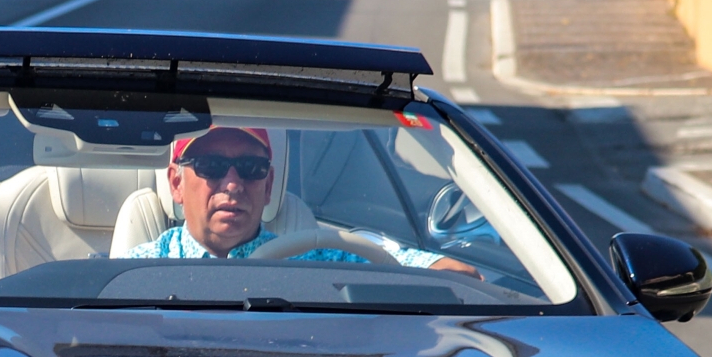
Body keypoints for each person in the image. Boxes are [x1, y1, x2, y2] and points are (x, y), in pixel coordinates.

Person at [122, 127, 479, 275]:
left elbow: (399, 262)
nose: (232, 184)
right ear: (176, 183)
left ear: (268, 184)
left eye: (251, 168)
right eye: (211, 166)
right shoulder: (138, 269)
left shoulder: (311, 259)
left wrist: (436, 272)